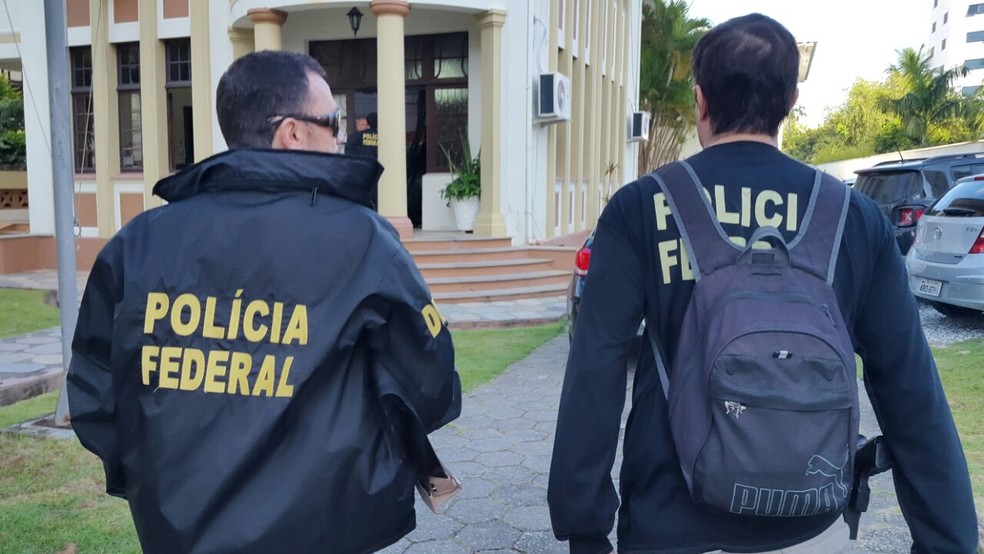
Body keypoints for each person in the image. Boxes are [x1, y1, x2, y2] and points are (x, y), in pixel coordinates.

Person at [548, 13, 978, 554]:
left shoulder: (641, 208)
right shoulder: (855, 218)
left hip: (669, 522)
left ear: (701, 101)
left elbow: (595, 371)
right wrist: (948, 539)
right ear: (791, 100)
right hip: (811, 526)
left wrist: (583, 527)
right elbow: (910, 390)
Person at [67, 50, 461, 554]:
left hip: (178, 532)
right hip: (324, 531)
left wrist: (152, 481)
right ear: (291, 132)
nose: (343, 137)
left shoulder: (137, 241)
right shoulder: (363, 241)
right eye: (333, 121)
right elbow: (429, 379)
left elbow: (96, 397)